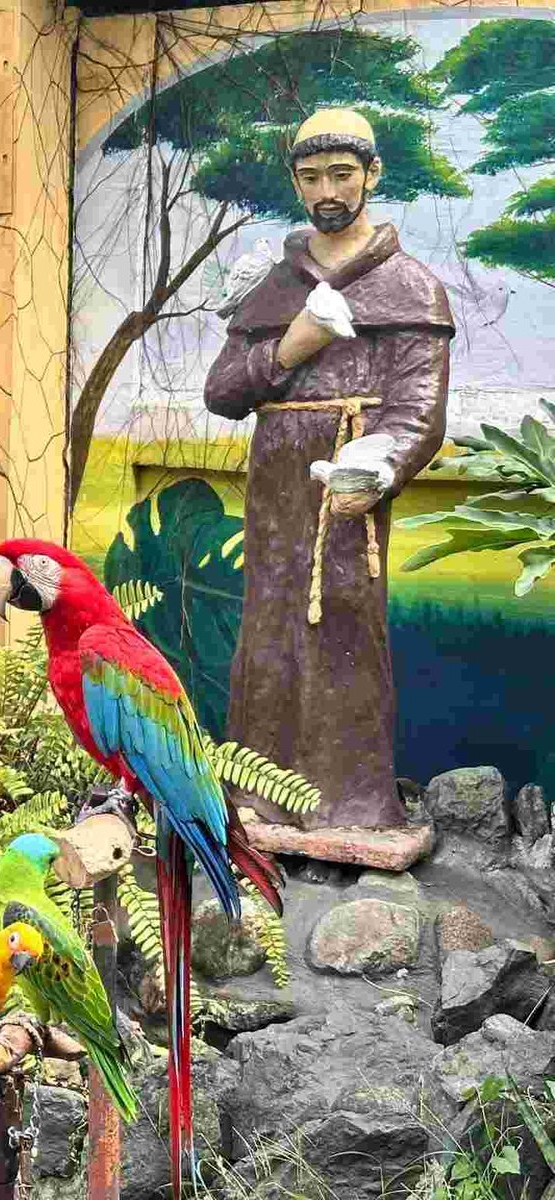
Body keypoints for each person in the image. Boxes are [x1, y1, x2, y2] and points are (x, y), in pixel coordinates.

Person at [203, 108, 453, 830]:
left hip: (349, 476)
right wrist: (292, 345)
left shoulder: (411, 287)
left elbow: (418, 410)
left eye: (341, 173)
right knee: (269, 628)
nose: (327, 189)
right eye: (311, 177)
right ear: (296, 182)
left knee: (345, 629)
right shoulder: (272, 285)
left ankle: (354, 804)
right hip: (274, 481)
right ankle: (259, 797)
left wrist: (377, 468)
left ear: (372, 174)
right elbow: (224, 393)